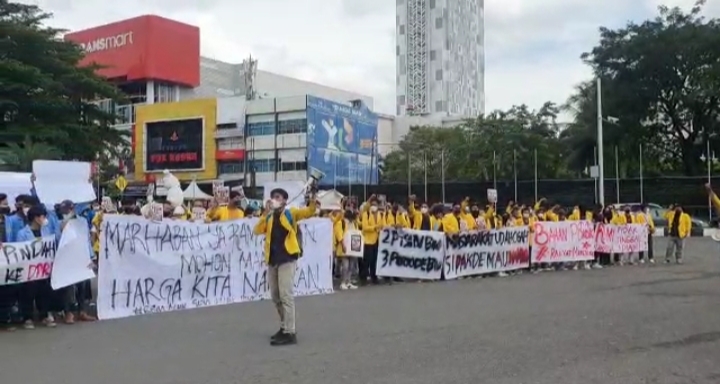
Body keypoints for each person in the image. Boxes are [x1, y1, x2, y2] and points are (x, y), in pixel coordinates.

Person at [253, 188, 316, 346]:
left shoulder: (290, 213)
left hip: (287, 258)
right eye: (273, 197)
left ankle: (290, 332)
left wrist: (313, 199)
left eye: (278, 197)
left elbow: (309, 212)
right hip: (273, 260)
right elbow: (257, 230)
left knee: (286, 295)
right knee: (275, 296)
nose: (274, 199)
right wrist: (265, 213)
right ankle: (284, 326)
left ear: (285, 200)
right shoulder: (269, 217)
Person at [17, 205, 56, 329]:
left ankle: (44, 315)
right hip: (29, 269)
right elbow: (20, 250)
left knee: (44, 291)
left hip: (44, 268)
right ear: (35, 218)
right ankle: (27, 317)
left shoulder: (46, 231)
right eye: (41, 216)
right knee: (28, 292)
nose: (43, 218)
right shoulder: (22, 233)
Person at [360, 196, 384, 285]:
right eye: (372, 204)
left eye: (375, 205)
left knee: (374, 259)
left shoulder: (379, 215)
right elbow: (365, 227)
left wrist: (380, 228)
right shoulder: (366, 214)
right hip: (368, 240)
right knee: (367, 260)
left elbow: (381, 225)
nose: (374, 206)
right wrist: (374, 227)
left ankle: (374, 276)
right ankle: (364, 277)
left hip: (376, 240)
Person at [334, 209, 360, 290]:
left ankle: (348, 282)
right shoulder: (341, 223)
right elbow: (339, 235)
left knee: (351, 266)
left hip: (353, 247)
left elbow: (357, 234)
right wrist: (343, 245)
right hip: (344, 247)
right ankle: (343, 282)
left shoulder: (354, 223)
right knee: (345, 265)